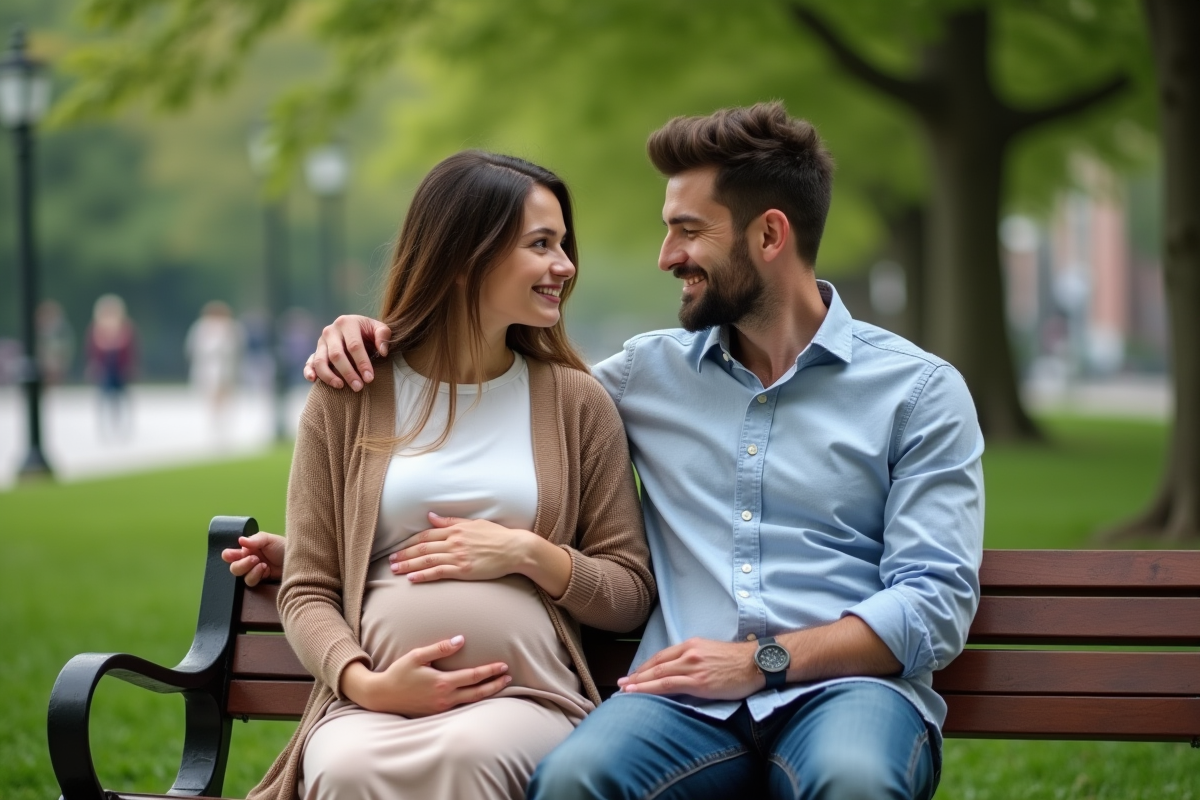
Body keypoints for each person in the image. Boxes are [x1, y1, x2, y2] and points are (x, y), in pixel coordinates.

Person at [250, 102, 985, 799]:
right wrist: (342, 532)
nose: (667, 256)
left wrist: (759, 661)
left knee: (853, 780)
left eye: (688, 231)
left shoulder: (917, 393)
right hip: (683, 702)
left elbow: (935, 602)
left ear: (769, 236)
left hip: (849, 691)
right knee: (579, 780)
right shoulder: (639, 377)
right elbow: (488, 405)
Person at [231, 150, 654, 800]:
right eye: (541, 244)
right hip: (370, 704)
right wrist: (367, 685)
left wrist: (526, 552)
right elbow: (309, 587)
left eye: (563, 245)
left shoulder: (576, 403)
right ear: (463, 258)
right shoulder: (350, 392)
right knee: (344, 767)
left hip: (526, 698)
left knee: (468, 754)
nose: (565, 266)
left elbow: (629, 589)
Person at [185, 300, 245, 433]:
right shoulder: (202, 327)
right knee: (211, 394)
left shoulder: (231, 327)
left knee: (226, 394)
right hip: (208, 367)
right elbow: (194, 347)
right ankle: (215, 420)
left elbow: (236, 348)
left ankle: (223, 420)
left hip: (226, 367)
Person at [85, 293, 137, 439]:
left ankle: (121, 426)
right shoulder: (96, 329)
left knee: (122, 398)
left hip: (120, 369)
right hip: (104, 369)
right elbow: (91, 350)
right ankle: (104, 427)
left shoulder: (125, 328)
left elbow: (131, 350)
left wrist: (131, 366)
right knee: (103, 398)